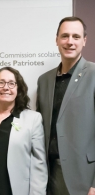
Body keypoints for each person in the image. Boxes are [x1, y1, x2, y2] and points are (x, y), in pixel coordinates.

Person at [36, 16, 95, 195]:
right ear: (57, 40)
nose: (70, 42)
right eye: (65, 36)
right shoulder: (44, 80)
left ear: (84, 41)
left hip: (83, 177)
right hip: (48, 173)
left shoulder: (93, 74)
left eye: (76, 37)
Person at [0, 67, 47, 195]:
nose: (6, 87)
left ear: (18, 89)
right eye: (1, 82)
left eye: (11, 83)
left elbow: (39, 163)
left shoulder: (33, 119)